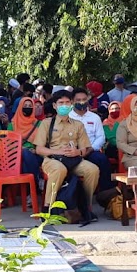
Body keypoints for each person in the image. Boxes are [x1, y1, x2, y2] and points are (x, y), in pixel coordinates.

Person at [33, 89, 99, 223]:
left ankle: (85, 207)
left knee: (92, 170)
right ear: (54, 106)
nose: (64, 105)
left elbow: (85, 149)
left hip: (73, 159)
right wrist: (57, 152)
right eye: (61, 103)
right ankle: (48, 209)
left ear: (71, 104)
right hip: (52, 159)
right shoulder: (47, 123)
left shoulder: (78, 125)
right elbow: (39, 149)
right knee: (59, 169)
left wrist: (78, 152)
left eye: (67, 102)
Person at [69, 87, 113, 192]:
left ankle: (106, 194)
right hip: (73, 151)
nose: (81, 102)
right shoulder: (67, 117)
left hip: (91, 150)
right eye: (78, 100)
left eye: (84, 99)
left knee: (102, 160)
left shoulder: (94, 117)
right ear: (72, 101)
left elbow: (101, 137)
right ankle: (72, 195)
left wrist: (90, 149)